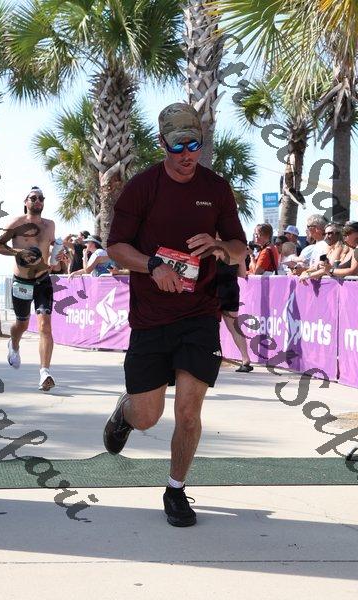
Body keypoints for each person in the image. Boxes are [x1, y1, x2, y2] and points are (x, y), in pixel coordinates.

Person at [104, 102, 247, 527]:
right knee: (148, 416)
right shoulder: (142, 187)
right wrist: (152, 265)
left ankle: (176, 489)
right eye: (178, 145)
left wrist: (220, 247)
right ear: (162, 143)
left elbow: (239, 247)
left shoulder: (216, 188)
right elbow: (116, 247)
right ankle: (125, 411)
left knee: (188, 412)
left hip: (200, 314)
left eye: (194, 144)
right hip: (151, 317)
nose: (187, 155)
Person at [0, 186, 63, 391]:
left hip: (43, 280)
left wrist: (59, 256)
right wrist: (18, 252)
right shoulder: (17, 223)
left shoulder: (50, 225)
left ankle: (44, 373)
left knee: (45, 326)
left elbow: (53, 250)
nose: (38, 200)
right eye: (33, 198)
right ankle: (14, 344)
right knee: (21, 325)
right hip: (22, 282)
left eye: (41, 198)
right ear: (26, 202)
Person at [216, 251, 252, 372]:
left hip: (214, 290)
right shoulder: (238, 251)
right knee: (234, 327)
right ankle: (245, 358)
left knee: (212, 325)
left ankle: (214, 356)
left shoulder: (214, 250)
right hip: (231, 289)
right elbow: (242, 273)